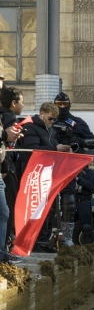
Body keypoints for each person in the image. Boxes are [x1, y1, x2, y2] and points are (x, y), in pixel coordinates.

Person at [20, 102, 70, 251]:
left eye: (54, 119)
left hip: (47, 175)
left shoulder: (50, 130)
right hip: (34, 175)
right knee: (36, 210)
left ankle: (43, 240)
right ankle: (35, 243)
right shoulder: (30, 127)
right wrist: (55, 148)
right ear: (42, 114)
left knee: (48, 210)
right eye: (50, 119)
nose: (52, 122)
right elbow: (31, 150)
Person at [53, 92, 94, 246]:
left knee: (69, 202)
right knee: (50, 204)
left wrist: (79, 141)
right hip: (51, 166)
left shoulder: (77, 122)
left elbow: (93, 141)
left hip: (70, 167)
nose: (62, 107)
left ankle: (67, 237)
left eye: (64, 104)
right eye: (59, 104)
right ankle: (49, 236)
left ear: (69, 104)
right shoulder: (50, 122)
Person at [0, 87, 24, 247]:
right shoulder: (8, 117)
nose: (23, 105)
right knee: (6, 212)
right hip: (7, 171)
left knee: (4, 213)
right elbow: (7, 147)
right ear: (13, 102)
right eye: (21, 102)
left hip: (4, 169)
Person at [74, 165, 94, 244]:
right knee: (67, 226)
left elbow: (91, 185)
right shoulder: (71, 170)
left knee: (86, 227)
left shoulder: (90, 173)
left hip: (84, 202)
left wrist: (78, 179)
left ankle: (88, 247)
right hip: (71, 201)